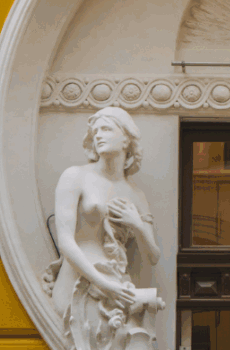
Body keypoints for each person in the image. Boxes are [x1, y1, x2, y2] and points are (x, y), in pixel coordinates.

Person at [45, 107, 163, 350]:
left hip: (118, 287)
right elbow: (66, 241)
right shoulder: (75, 177)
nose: (98, 135)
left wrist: (137, 224)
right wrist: (106, 285)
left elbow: (153, 255)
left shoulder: (136, 194)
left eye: (106, 129)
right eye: (95, 131)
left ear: (126, 139)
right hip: (79, 284)